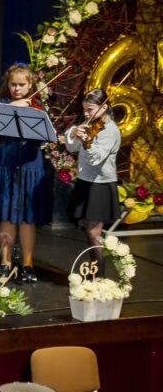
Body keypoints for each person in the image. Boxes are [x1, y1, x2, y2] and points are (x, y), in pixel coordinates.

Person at [0, 64, 53, 283]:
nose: (17, 89)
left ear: (30, 84)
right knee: (7, 216)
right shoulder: (1, 105)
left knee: (27, 218)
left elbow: (45, 137)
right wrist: (15, 106)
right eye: (13, 84)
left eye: (22, 85)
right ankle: (5, 262)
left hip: (30, 166)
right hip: (7, 164)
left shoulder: (38, 108)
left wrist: (32, 111)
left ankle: (27, 264)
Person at [64, 88, 121, 276]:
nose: (86, 114)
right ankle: (95, 270)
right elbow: (71, 146)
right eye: (84, 110)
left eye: (90, 110)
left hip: (101, 184)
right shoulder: (91, 124)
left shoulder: (110, 131)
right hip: (86, 180)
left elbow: (96, 158)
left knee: (93, 233)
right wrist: (72, 134)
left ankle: (100, 274)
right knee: (88, 231)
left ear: (104, 107)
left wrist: (87, 142)